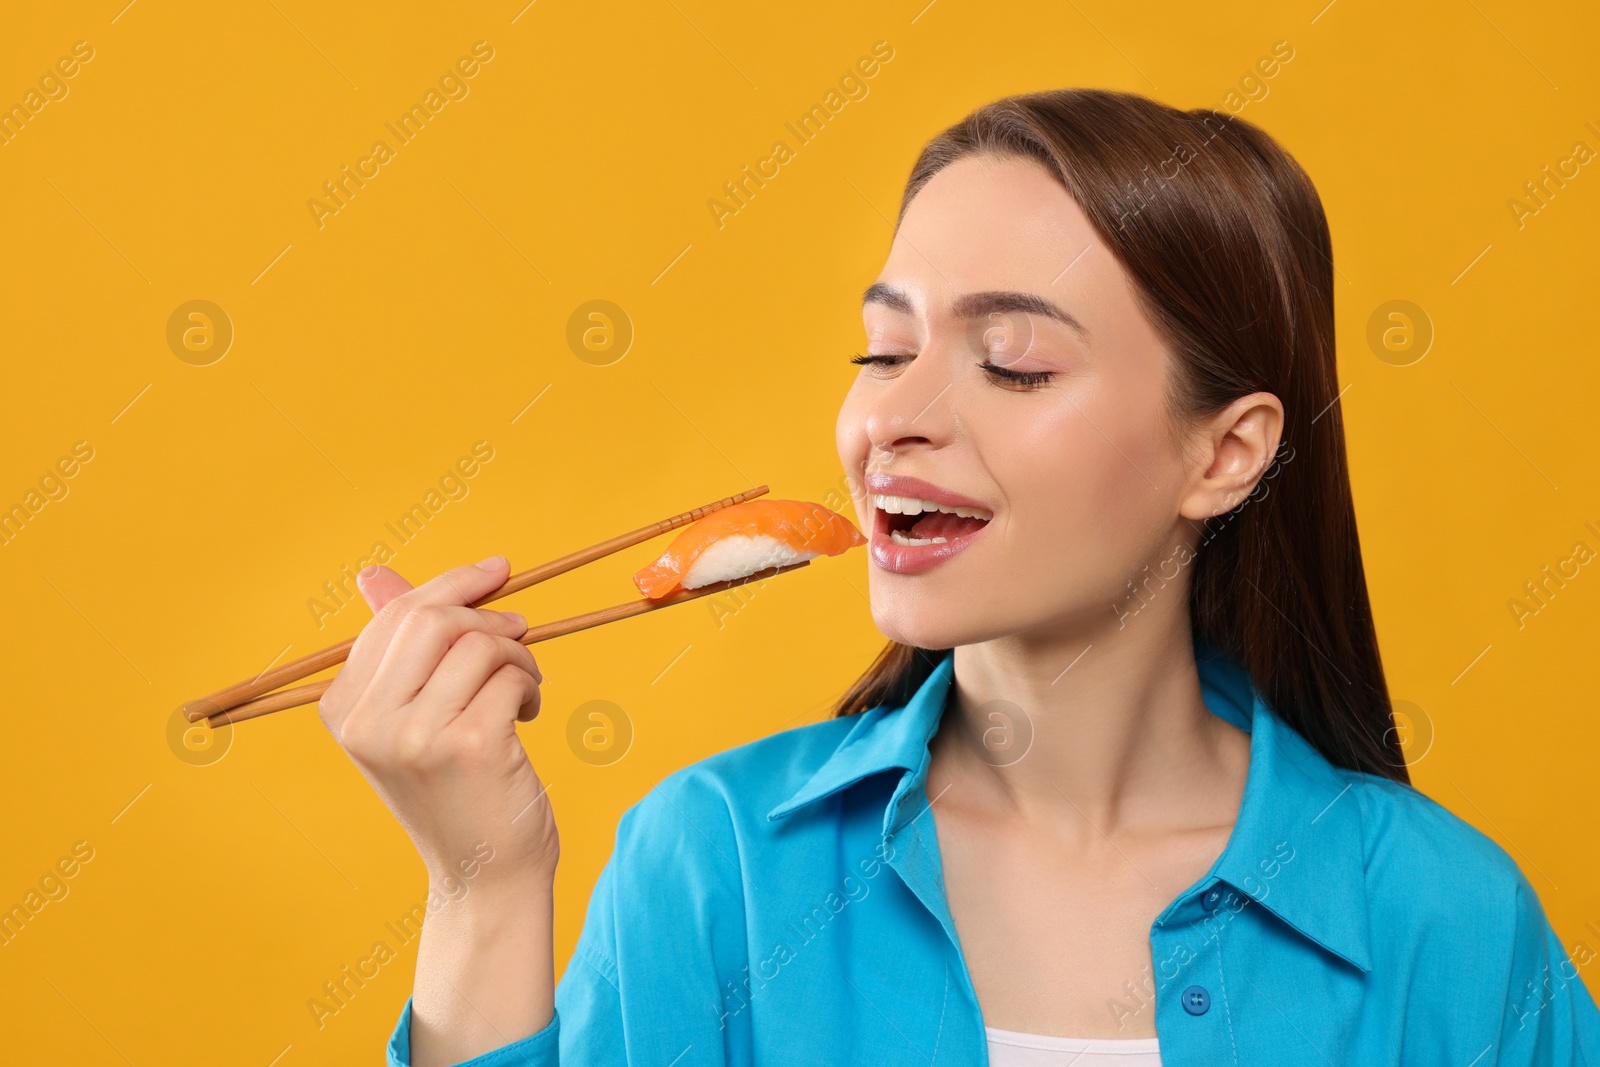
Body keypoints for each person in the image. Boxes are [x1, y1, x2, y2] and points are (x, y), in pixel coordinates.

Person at [317, 88, 1600, 1066]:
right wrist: (481, 882)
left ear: (1225, 451)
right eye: (883, 351)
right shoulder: (714, 865)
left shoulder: (1449, 922)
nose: (893, 418)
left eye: (1014, 363)